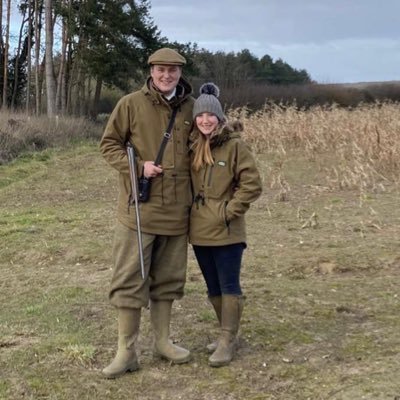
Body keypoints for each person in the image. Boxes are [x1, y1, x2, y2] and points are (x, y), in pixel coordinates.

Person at [100, 48, 195, 378]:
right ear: (151, 71)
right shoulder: (129, 104)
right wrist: (138, 167)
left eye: (172, 70)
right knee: (128, 278)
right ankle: (126, 352)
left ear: (180, 73)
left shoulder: (193, 109)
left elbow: (208, 148)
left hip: (178, 210)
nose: (166, 75)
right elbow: (109, 144)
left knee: (168, 279)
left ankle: (164, 343)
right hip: (138, 210)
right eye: (160, 69)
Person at [189, 83, 262, 367]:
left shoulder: (235, 146)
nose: (205, 120)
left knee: (229, 285)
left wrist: (230, 211)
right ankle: (225, 334)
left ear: (220, 118)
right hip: (199, 230)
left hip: (227, 230)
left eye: (211, 116)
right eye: (200, 116)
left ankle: (228, 340)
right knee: (212, 287)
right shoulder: (194, 146)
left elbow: (252, 184)